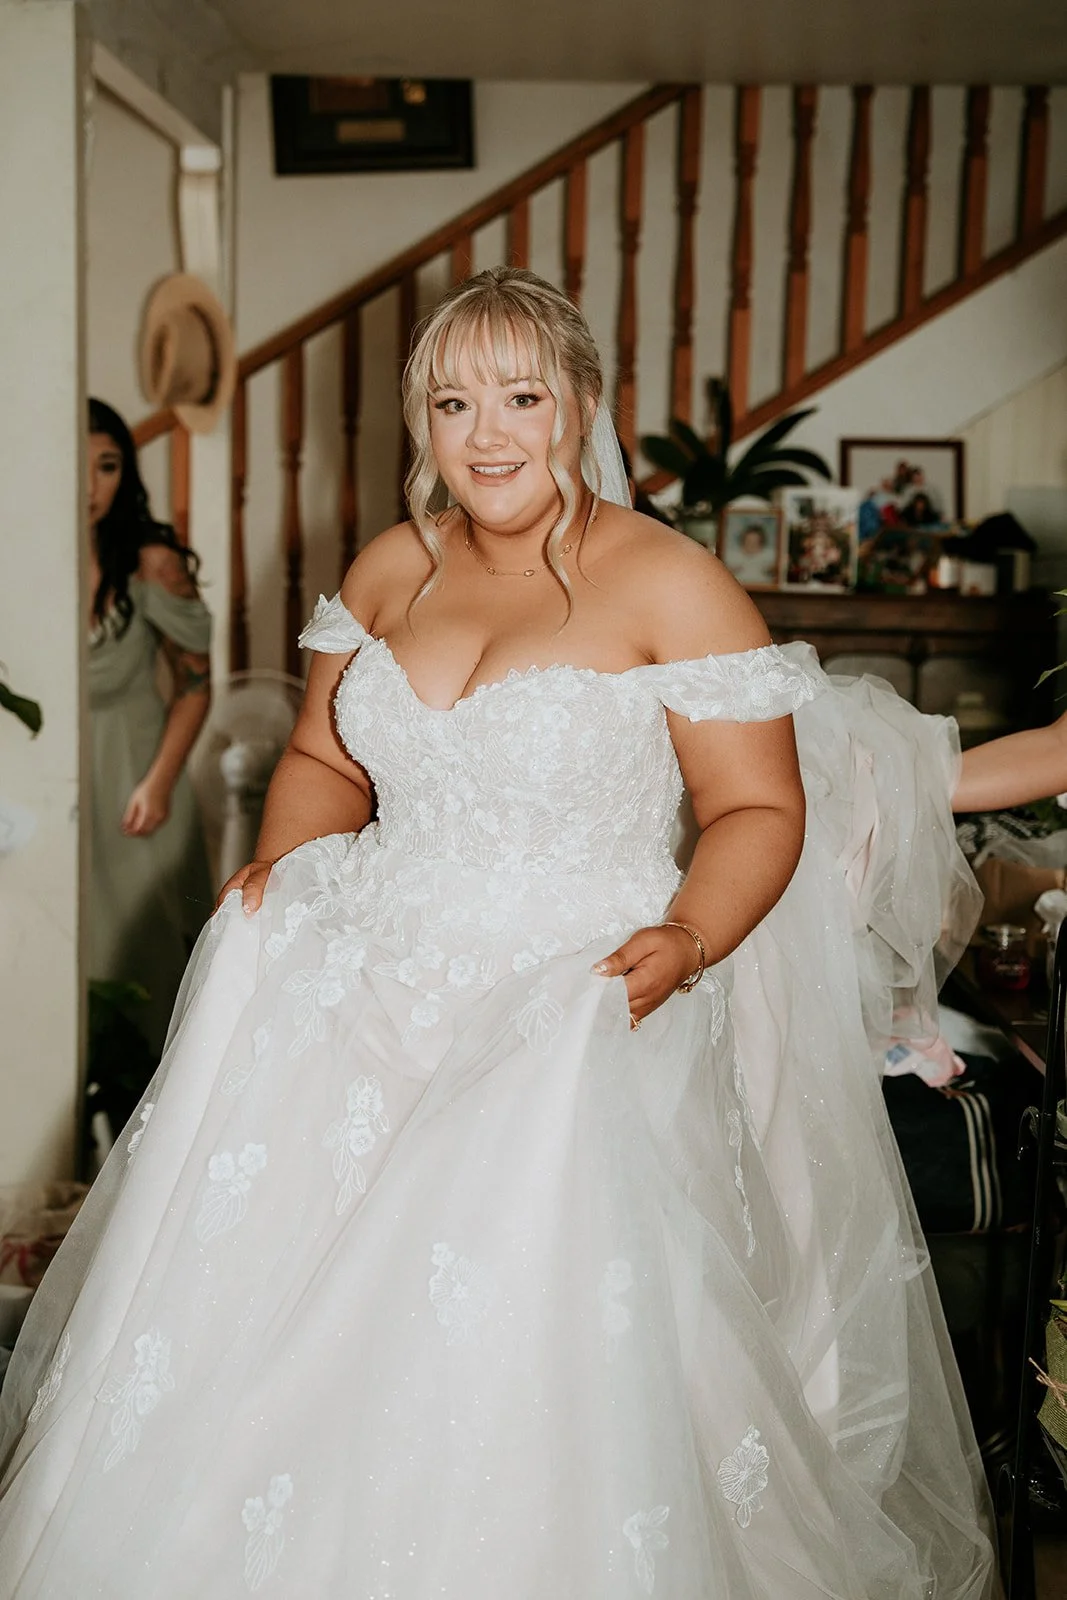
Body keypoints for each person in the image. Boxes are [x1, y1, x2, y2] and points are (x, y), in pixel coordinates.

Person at [0, 275, 996, 1597]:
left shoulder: (671, 583)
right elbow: (322, 756)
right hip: (345, 1002)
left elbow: (756, 806)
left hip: (566, 1014)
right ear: (421, 416)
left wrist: (688, 938)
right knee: (264, 1348)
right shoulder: (383, 569)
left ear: (578, 403)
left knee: (510, 1367)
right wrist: (276, 873)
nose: (485, 433)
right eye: (453, 400)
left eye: (519, 397)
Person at [86, 398, 214, 1058]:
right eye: (76, 465)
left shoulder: (151, 563)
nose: (89, 486)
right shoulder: (21, 560)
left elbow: (196, 684)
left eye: (106, 466)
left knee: (147, 971)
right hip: (55, 787)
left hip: (136, 779)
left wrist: (159, 783)